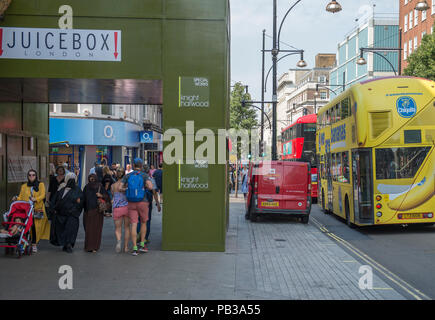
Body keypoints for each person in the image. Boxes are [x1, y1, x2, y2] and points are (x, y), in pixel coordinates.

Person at [121, 158, 153, 256]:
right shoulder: (144, 175)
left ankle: (135, 248)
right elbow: (151, 187)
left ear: (133, 165)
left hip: (131, 202)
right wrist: (144, 188)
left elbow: (119, 188)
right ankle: (142, 244)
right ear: (141, 165)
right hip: (143, 202)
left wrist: (127, 189)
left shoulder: (128, 175)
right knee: (144, 223)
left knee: (134, 224)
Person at [14, 169, 50, 253]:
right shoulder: (24, 186)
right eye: (29, 175)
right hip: (26, 210)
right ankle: (25, 242)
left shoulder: (40, 185)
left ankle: (34, 244)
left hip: (37, 209)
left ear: (36, 176)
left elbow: (43, 195)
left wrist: (35, 199)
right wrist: (16, 198)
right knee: (25, 226)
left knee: (35, 227)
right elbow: (21, 197)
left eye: (33, 175)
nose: (31, 176)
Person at [50, 173, 84, 253]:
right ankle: (65, 244)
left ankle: (68, 245)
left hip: (72, 215)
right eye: (70, 178)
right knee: (62, 230)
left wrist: (74, 211)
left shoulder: (78, 190)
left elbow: (80, 202)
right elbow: (56, 200)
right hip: (61, 215)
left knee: (70, 230)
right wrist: (54, 209)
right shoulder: (62, 189)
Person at [83, 173, 109, 253]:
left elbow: (107, 197)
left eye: (93, 179)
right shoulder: (87, 187)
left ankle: (91, 247)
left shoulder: (90, 187)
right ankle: (93, 247)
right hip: (91, 211)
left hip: (94, 211)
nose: (92, 181)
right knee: (93, 230)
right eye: (91, 179)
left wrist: (101, 195)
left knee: (91, 230)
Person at [111, 167, 131, 253]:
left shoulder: (113, 186)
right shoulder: (126, 185)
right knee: (127, 228)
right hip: (127, 207)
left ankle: (119, 241)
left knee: (117, 228)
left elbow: (113, 196)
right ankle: (126, 247)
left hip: (117, 208)